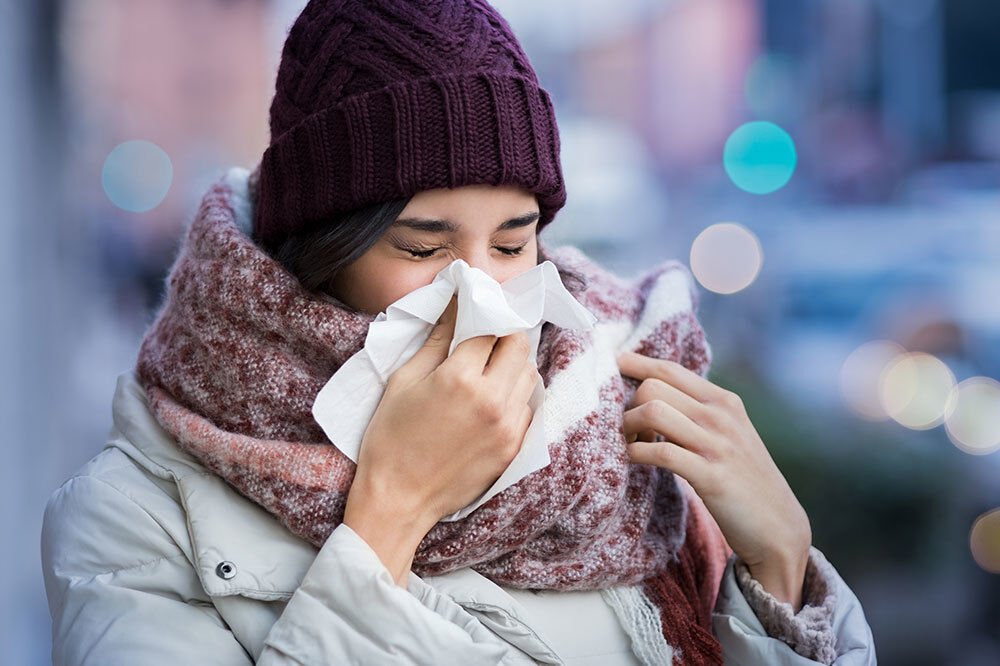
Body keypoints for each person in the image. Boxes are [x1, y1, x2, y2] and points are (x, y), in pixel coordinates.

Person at [41, 1, 877, 664]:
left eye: (514, 243)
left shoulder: (617, 420)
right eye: (422, 245)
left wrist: (779, 582)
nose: (482, 289)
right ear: (317, 249)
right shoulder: (133, 519)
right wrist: (390, 518)